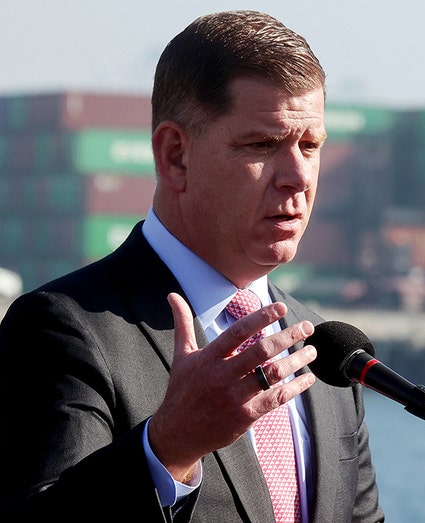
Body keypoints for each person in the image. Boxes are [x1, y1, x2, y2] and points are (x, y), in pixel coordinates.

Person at [0, 10, 384, 522]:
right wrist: (167, 451)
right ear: (175, 155)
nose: (297, 177)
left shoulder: (322, 352)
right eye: (262, 145)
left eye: (310, 146)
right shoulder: (62, 328)